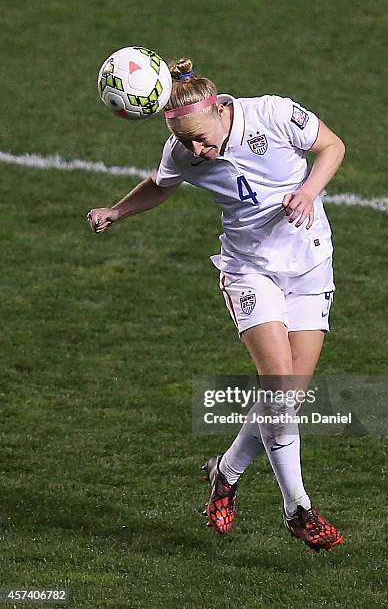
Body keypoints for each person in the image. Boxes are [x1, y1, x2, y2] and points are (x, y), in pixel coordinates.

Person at [87, 57, 346, 552]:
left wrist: (309, 192)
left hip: (311, 264)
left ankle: (225, 474)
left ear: (222, 110)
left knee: (286, 398)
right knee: (279, 382)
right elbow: (160, 185)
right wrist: (117, 211)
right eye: (187, 144)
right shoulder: (182, 150)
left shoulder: (272, 114)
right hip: (248, 269)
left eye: (202, 139)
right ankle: (298, 507)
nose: (197, 151)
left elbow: (332, 146)